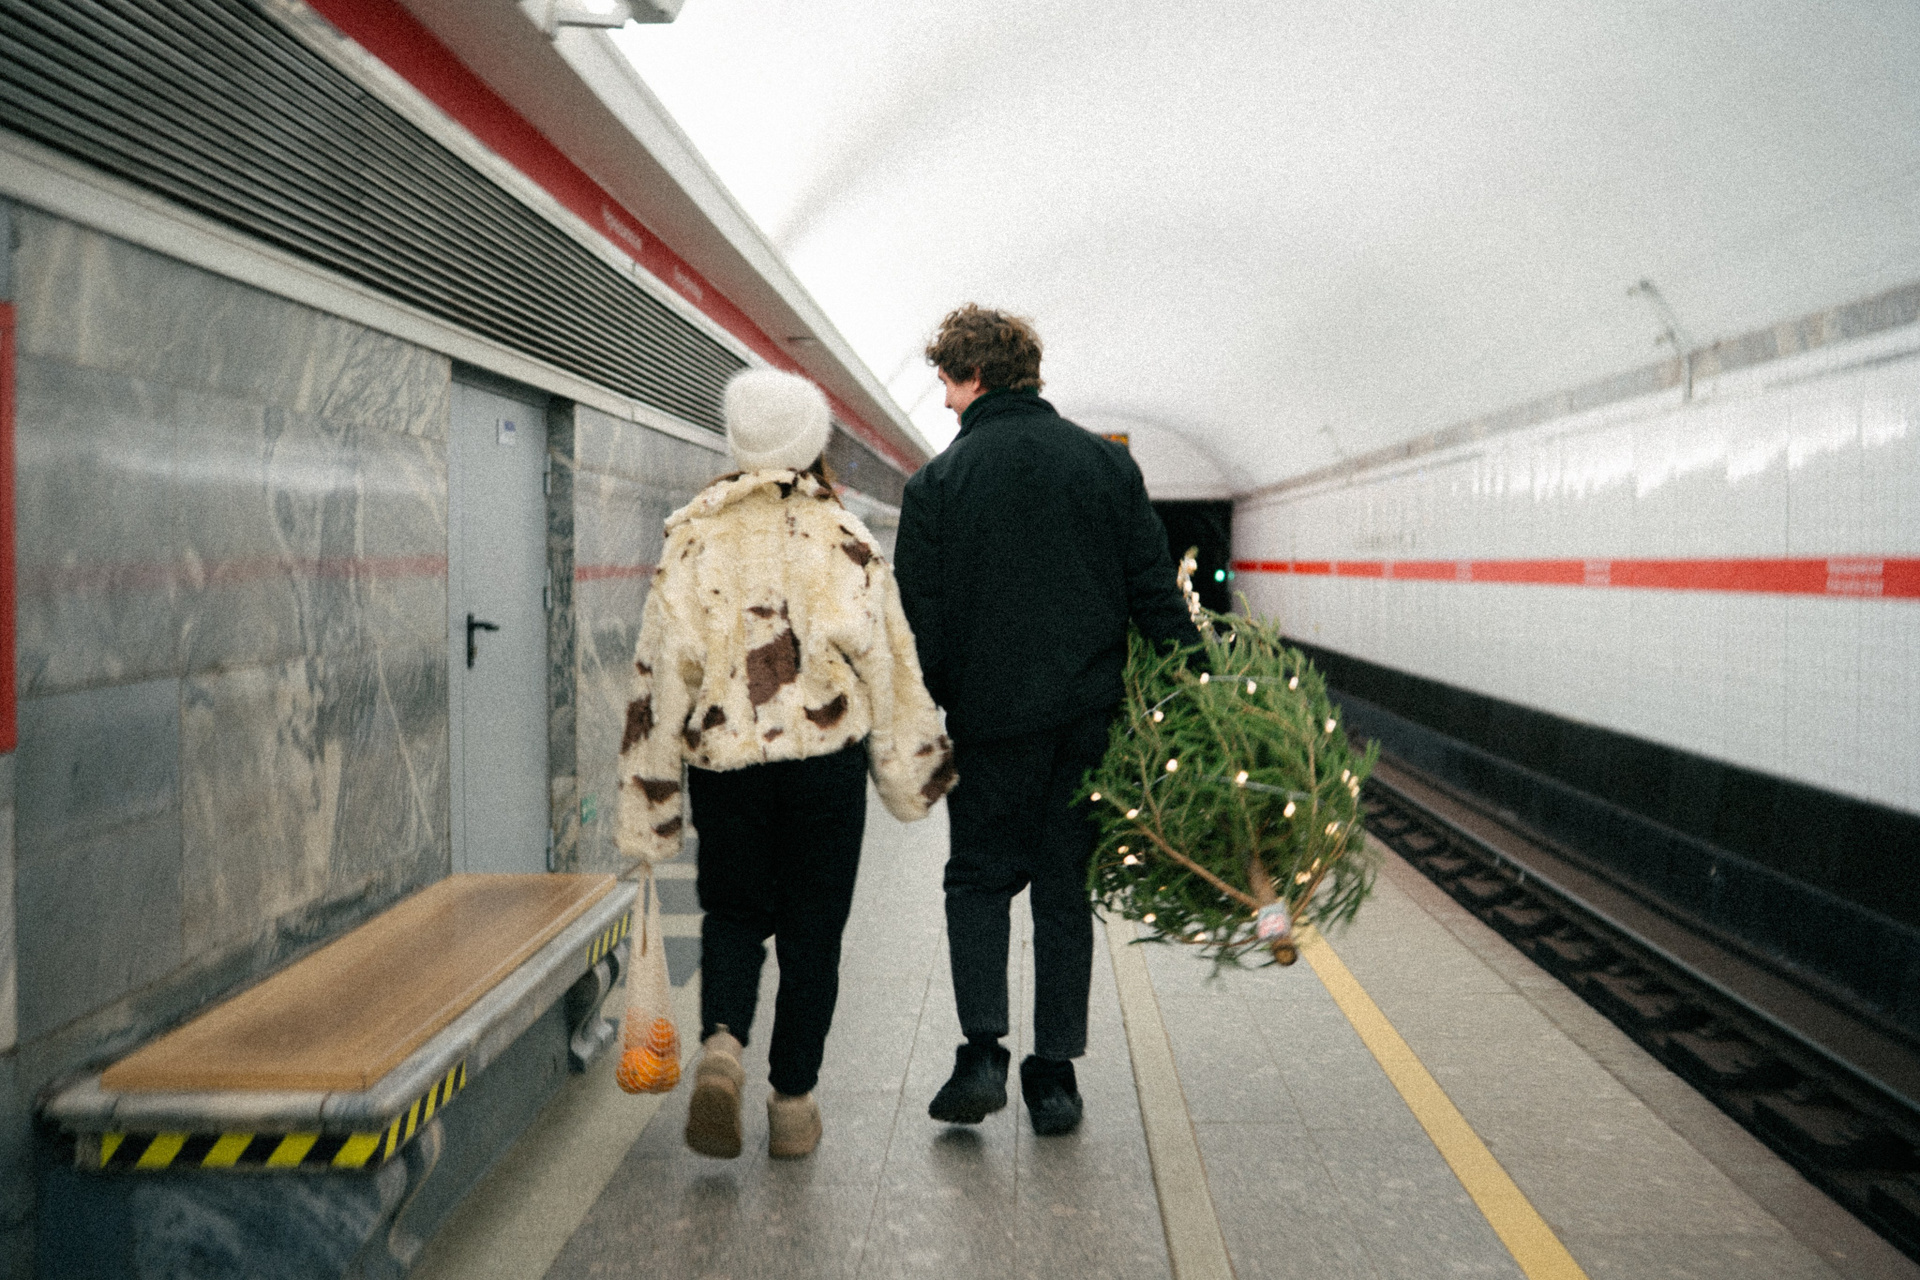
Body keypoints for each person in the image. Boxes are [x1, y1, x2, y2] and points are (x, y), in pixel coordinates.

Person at [617, 367, 956, 1160]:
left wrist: (649, 805)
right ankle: (794, 1103)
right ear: (811, 444)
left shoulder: (692, 539)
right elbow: (890, 665)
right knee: (813, 933)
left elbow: (657, 680)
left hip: (725, 768)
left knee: (734, 915)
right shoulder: (846, 540)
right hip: (823, 772)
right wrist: (910, 770)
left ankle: (723, 1044)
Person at [894, 305, 1199, 1135]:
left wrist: (948, 703)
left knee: (978, 881)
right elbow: (1153, 592)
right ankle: (1055, 1076)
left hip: (989, 726)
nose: (945, 402)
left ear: (975, 376)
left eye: (948, 384)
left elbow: (920, 626)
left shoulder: (936, 486)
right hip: (1086, 726)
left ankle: (982, 1053)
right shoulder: (1105, 466)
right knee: (1066, 890)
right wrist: (1198, 688)